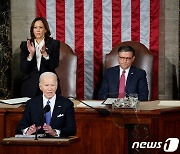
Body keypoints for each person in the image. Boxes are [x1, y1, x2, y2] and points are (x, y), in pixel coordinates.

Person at [16, 72, 76, 137]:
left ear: (56, 86)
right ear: (40, 86)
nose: (49, 89)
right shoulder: (31, 104)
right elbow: (20, 128)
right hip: (37, 143)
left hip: (58, 144)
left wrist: (54, 132)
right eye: (46, 85)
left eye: (52, 85)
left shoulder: (66, 104)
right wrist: (28, 131)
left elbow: (71, 129)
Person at [20, 17, 60, 98]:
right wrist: (30, 55)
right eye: (35, 27)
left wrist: (45, 55)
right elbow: (24, 69)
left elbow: (54, 65)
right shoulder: (26, 45)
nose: (38, 30)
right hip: (30, 84)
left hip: (48, 84)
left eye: (41, 27)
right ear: (32, 30)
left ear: (45, 30)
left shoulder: (54, 44)